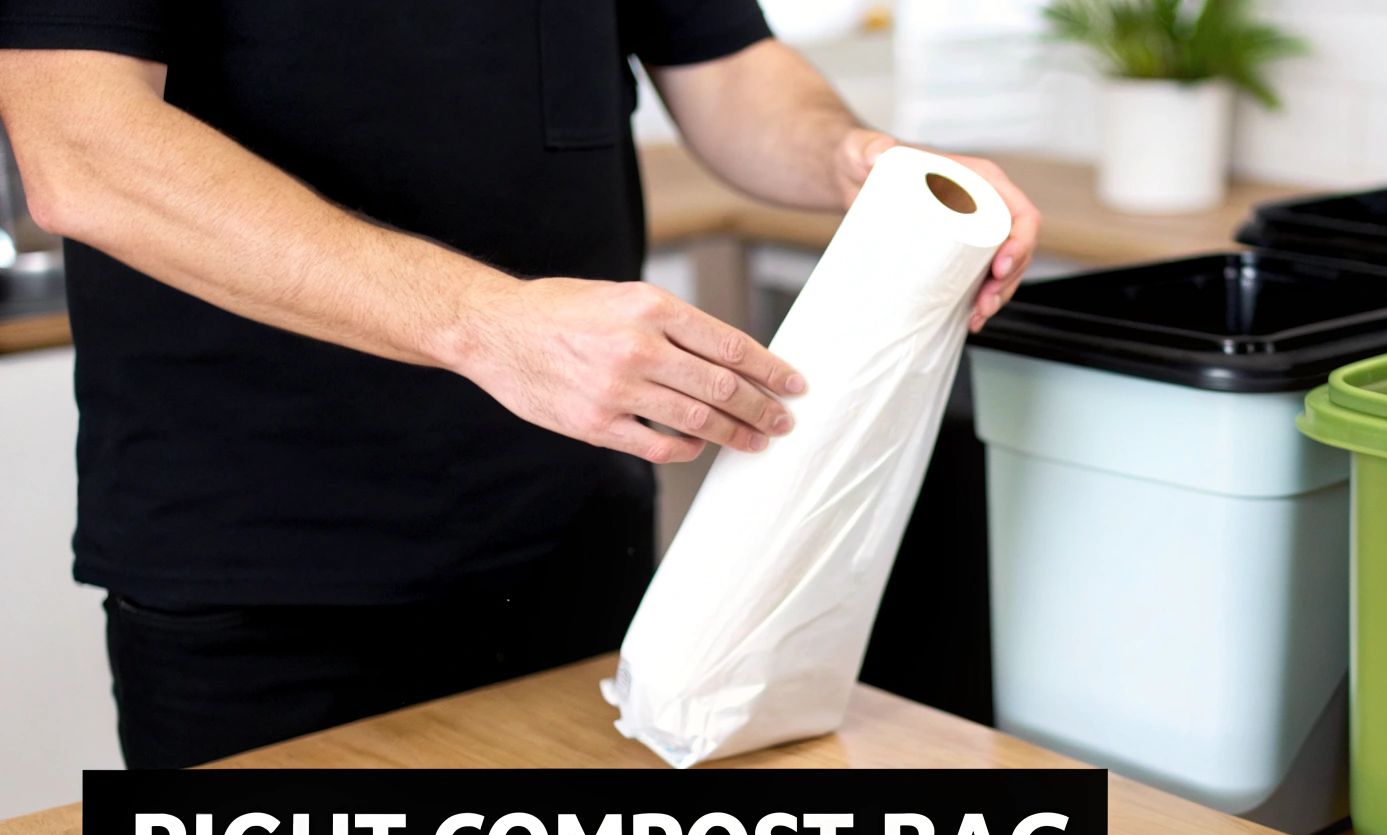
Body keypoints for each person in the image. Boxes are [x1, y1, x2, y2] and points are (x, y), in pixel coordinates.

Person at [0, 2, 1039, 769]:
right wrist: (486, 325)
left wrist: (860, 157)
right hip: (267, 577)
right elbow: (82, 148)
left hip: (577, 539)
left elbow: (728, 69)